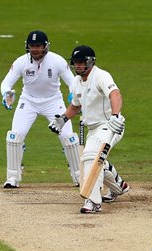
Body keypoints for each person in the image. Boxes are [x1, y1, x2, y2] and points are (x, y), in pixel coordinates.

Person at [48, 45, 129, 213]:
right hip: (93, 128)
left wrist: (115, 116)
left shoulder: (101, 76)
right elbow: (75, 106)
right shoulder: (76, 82)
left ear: (91, 62)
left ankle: (93, 202)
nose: (77, 66)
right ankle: (118, 186)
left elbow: (115, 95)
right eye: (75, 63)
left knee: (92, 157)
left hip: (110, 125)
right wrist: (62, 120)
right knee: (95, 159)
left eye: (81, 62)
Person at [0, 30, 80, 189]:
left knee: (69, 138)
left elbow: (72, 82)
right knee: (15, 137)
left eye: (38, 46)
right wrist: (6, 94)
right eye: (32, 46)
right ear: (27, 47)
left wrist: (73, 96)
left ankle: (79, 176)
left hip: (53, 101)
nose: (35, 49)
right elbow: (6, 83)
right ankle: (12, 177)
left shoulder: (57, 61)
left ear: (45, 46)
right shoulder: (21, 62)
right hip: (28, 101)